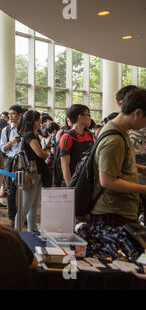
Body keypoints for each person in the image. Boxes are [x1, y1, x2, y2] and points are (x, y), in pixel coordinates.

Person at [91, 89, 146, 226]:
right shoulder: (114, 139)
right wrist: (143, 189)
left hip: (118, 212)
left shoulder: (120, 132)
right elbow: (107, 181)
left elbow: (117, 164)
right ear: (137, 113)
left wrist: (139, 168)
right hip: (113, 214)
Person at [15, 111, 50, 231]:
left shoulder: (33, 134)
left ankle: (31, 231)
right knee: (25, 206)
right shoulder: (29, 135)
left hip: (37, 173)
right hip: (31, 174)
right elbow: (39, 153)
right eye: (38, 120)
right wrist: (49, 154)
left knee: (34, 206)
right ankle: (17, 232)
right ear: (32, 122)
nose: (40, 122)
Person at [0, 105, 23, 227]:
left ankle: (22, 216)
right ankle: (12, 218)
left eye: (13, 114)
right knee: (10, 190)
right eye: (10, 114)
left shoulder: (25, 129)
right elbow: (3, 148)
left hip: (24, 162)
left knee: (24, 190)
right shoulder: (6, 130)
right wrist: (11, 141)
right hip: (10, 161)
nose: (11, 116)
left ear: (20, 115)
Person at [58, 104, 94, 187]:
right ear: (80, 117)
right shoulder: (67, 137)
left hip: (85, 180)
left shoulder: (89, 135)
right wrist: (70, 187)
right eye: (88, 115)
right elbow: (65, 165)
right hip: (73, 182)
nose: (90, 118)